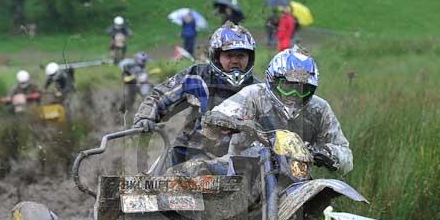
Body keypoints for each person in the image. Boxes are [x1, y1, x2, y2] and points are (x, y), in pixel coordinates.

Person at [197, 46, 352, 176]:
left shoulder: (319, 108)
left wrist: (325, 153)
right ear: (273, 81)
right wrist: (233, 123)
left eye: (303, 89)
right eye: (287, 87)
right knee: (197, 173)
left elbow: (346, 155)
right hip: (242, 167)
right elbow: (212, 119)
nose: (294, 95)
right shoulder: (254, 95)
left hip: (297, 175)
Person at [133, 21, 258, 166]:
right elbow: (162, 95)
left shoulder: (257, 90)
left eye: (241, 55)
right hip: (191, 152)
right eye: (229, 55)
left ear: (250, 58)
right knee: (169, 172)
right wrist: (146, 116)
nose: (235, 61)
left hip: (239, 159)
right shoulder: (199, 76)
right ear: (217, 56)